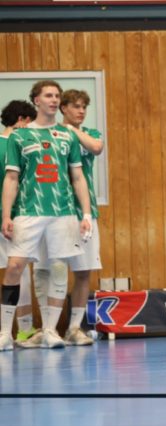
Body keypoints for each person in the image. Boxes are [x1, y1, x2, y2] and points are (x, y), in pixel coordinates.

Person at [0, 80, 92, 351]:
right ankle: (5, 333)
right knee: (14, 266)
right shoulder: (20, 136)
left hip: (63, 212)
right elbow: (11, 178)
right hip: (29, 211)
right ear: (36, 100)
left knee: (59, 267)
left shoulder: (68, 135)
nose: (54, 100)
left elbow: (78, 177)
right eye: (49, 95)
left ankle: (50, 330)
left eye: (57, 96)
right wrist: (7, 215)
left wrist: (86, 213)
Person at [0, 100, 37, 344]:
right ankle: (24, 329)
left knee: (16, 271)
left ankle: (19, 330)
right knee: (19, 271)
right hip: (13, 216)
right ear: (23, 120)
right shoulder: (19, 144)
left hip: (9, 216)